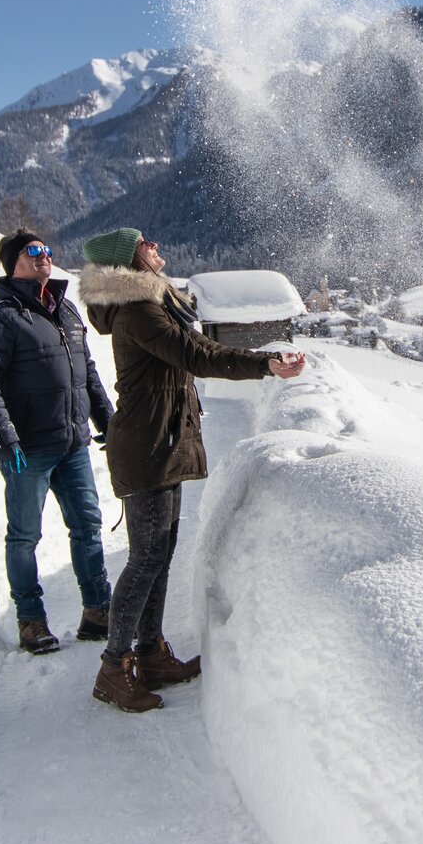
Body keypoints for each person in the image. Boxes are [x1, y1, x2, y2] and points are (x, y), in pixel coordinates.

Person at [79, 228, 306, 713]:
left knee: (159, 553)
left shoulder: (154, 303)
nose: (156, 245)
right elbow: (196, 355)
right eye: (145, 243)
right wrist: (265, 364)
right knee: (145, 558)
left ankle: (150, 652)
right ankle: (113, 666)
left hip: (162, 439)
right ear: (129, 259)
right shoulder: (140, 310)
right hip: (147, 445)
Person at [0, 230, 114, 654]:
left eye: (47, 250)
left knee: (87, 526)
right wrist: (4, 438)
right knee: (25, 536)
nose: (44, 256)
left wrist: (107, 419)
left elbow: (86, 372)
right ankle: (30, 620)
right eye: (33, 251)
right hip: (27, 449)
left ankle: (97, 610)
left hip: (72, 443)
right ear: (14, 262)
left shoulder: (65, 309)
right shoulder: (0, 316)